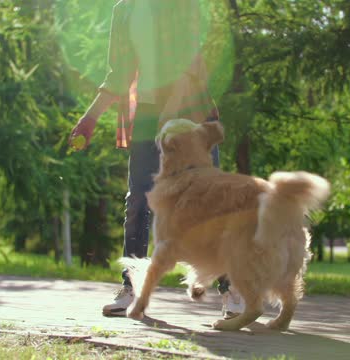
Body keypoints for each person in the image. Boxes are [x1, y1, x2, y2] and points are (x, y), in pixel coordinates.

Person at [69, 0, 243, 318]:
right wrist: (89, 118)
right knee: (138, 199)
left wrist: (169, 111)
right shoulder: (124, 10)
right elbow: (118, 74)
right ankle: (131, 287)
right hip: (149, 116)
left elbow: (190, 64)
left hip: (189, 108)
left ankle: (230, 288)